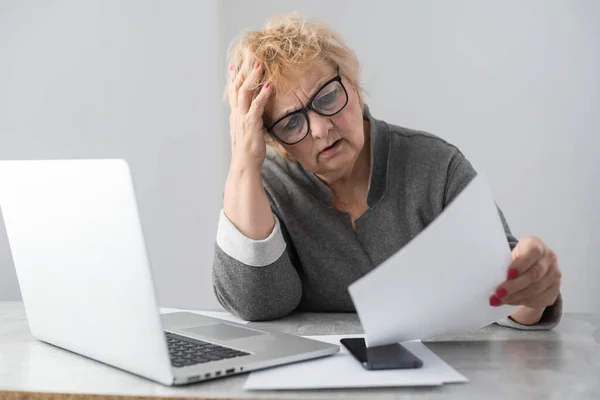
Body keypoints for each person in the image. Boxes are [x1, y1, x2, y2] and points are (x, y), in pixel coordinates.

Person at [212, 13, 562, 329]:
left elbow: (510, 297)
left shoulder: (436, 165)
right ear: (272, 139)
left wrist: (533, 289)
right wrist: (243, 164)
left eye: (328, 97)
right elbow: (257, 303)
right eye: (290, 123)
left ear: (351, 81)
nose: (320, 129)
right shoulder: (266, 188)